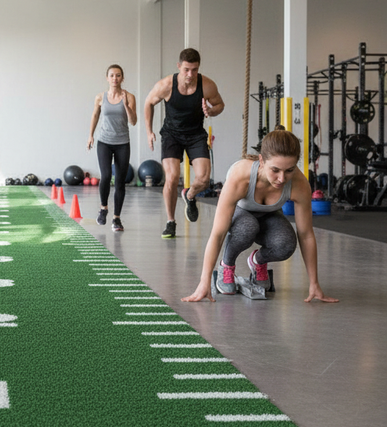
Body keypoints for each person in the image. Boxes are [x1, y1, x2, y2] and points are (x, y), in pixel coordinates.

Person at [182, 127, 338, 304]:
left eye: (289, 170)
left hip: (269, 215)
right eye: (275, 170)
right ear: (262, 161)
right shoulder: (241, 176)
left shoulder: (299, 184)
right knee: (247, 227)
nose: (281, 178)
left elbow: (306, 234)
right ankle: (227, 264)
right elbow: (218, 234)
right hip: (241, 213)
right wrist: (204, 282)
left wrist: (314, 283)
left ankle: (257, 261)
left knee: (286, 243)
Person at [144, 47, 224, 239]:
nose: (190, 74)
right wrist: (149, 132)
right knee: (171, 178)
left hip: (196, 134)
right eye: (186, 69)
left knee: (204, 179)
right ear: (179, 66)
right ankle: (171, 222)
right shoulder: (166, 85)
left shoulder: (207, 85)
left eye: (194, 70)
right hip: (172, 134)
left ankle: (189, 195)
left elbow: (220, 104)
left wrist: (211, 111)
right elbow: (148, 103)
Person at [87, 64, 137, 231]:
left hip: (122, 142)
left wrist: (126, 105)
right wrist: (90, 135)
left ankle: (116, 218)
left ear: (122, 78)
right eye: (112, 75)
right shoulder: (100, 97)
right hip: (104, 142)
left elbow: (133, 121)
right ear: (107, 78)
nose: (115, 78)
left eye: (118, 75)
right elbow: (95, 115)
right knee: (106, 176)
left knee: (120, 182)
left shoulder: (129, 97)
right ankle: (103, 209)